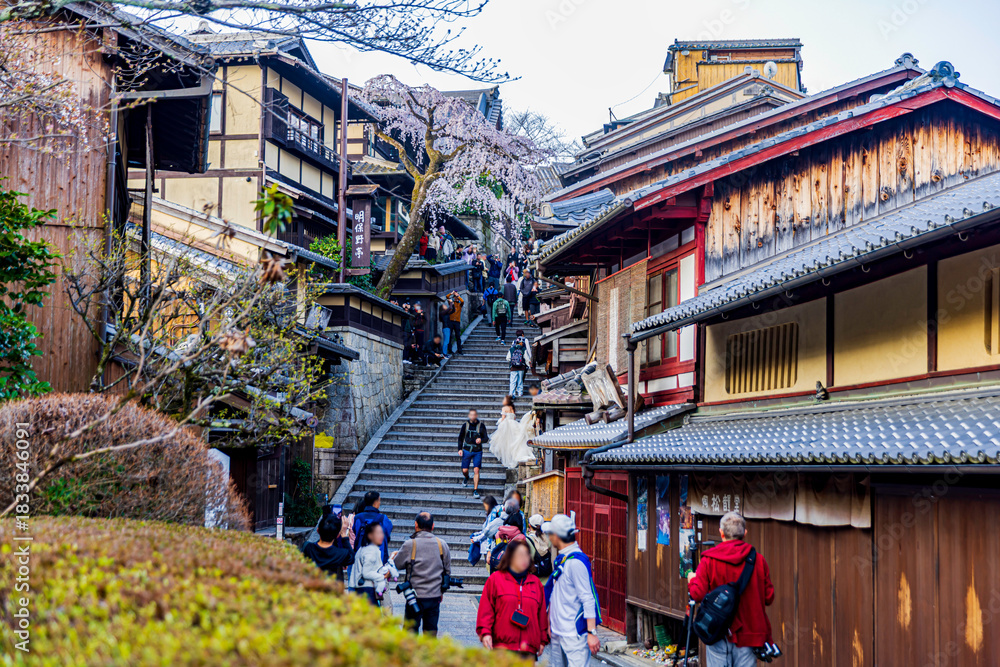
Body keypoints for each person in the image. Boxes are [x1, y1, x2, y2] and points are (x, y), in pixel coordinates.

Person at [687, 512, 775, 667]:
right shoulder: (758, 560)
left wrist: (692, 579)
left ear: (721, 533)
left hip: (718, 630)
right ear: (745, 533)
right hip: (749, 633)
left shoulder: (709, 560)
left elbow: (697, 594)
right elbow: (769, 597)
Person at [477, 537, 550, 660]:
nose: (524, 559)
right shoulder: (495, 580)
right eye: (519, 555)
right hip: (502, 648)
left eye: (526, 555)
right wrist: (485, 633)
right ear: (510, 557)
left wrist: (543, 639)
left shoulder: (536, 583)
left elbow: (541, 614)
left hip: (528, 649)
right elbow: (486, 610)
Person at [543, 514, 601, 667]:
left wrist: (591, 633)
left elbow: (587, 598)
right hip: (558, 631)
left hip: (573, 634)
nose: (549, 538)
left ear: (556, 536)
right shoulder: (563, 559)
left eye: (550, 534)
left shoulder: (575, 563)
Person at [393, 512, 452, 637]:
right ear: (433, 526)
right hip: (434, 597)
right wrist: (441, 592)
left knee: (410, 634)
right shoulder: (442, 545)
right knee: (430, 634)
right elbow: (447, 572)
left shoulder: (410, 544)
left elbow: (397, 565)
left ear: (416, 525)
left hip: (414, 597)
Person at [348, 522, 394, 607]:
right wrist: (384, 576)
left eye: (382, 533)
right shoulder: (371, 551)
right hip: (367, 591)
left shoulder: (363, 548)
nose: (381, 536)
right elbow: (366, 573)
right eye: (378, 533)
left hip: (360, 590)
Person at [302, 513, 355, 581]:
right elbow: (351, 558)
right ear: (338, 535)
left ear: (318, 531)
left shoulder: (307, 548)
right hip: (333, 589)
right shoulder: (341, 554)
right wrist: (344, 534)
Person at [490, 395, 538, 470]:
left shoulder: (504, 408)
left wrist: (500, 423)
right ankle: (514, 456)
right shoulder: (512, 408)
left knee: (507, 443)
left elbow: (503, 418)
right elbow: (514, 417)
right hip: (514, 424)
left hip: (507, 425)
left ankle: (509, 458)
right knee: (514, 441)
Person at [352, 491, 394, 564]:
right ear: (375, 503)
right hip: (379, 556)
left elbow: (355, 531)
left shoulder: (358, 518)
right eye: (379, 500)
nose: (379, 503)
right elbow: (387, 534)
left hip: (361, 556)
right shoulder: (383, 518)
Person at [457, 409, 489, 498]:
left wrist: (481, 440)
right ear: (469, 416)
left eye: (474, 415)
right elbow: (460, 438)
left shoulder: (481, 426)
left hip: (477, 451)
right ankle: (466, 477)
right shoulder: (465, 425)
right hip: (467, 450)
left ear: (476, 416)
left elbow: (486, 438)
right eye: (471, 415)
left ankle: (475, 490)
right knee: (465, 470)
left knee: (476, 470)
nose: (472, 416)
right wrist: (460, 449)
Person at [526, 514, 558, 584]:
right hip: (549, 579)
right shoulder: (549, 537)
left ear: (530, 525)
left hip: (534, 580)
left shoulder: (529, 540)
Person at [507, 332, 532, 398]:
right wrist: (528, 365)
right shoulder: (523, 349)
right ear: (521, 343)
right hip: (521, 367)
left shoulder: (512, 349)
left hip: (513, 368)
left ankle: (512, 393)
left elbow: (507, 358)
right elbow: (526, 358)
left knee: (512, 381)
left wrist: (512, 362)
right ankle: (520, 393)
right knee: (520, 380)